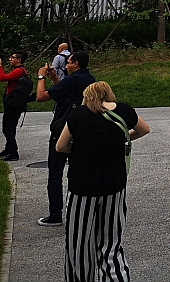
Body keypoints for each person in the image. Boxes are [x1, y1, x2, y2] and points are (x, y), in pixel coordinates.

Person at [56, 81, 149, 282]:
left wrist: (80, 147)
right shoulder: (124, 111)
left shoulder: (78, 114)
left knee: (79, 244)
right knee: (111, 243)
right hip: (114, 187)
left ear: (88, 96)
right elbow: (144, 129)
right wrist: (122, 139)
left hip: (82, 188)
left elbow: (60, 146)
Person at [36, 50, 96, 227]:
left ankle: (55, 215)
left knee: (55, 174)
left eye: (68, 62)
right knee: (79, 172)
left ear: (76, 63)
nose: (66, 65)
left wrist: (41, 77)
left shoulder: (72, 79)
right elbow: (66, 93)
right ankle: (81, 211)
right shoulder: (90, 80)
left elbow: (41, 97)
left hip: (62, 131)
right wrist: (55, 78)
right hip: (82, 131)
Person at [0, 50, 30, 161]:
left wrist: (0, 66)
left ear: (19, 60)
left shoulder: (19, 71)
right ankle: (8, 149)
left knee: (8, 128)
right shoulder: (20, 70)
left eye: (13, 57)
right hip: (13, 103)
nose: (10, 59)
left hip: (13, 104)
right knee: (10, 127)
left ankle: (13, 152)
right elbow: (1, 77)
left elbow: (2, 78)